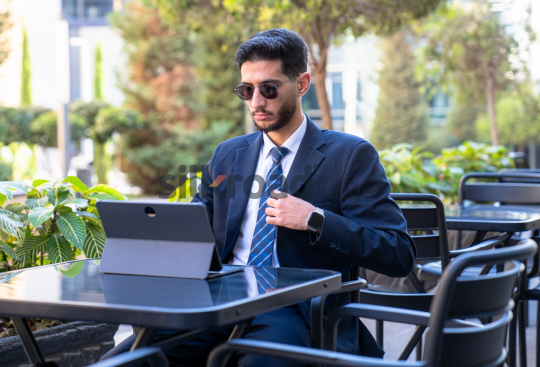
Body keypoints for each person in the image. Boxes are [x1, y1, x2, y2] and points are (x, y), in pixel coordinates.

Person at [166, 28, 416, 367]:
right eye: (247, 90)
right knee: (133, 356)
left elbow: (398, 253)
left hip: (296, 309)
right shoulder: (228, 155)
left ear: (301, 84)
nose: (256, 102)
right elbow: (196, 229)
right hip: (220, 299)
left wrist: (316, 220)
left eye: (269, 88)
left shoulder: (350, 155)